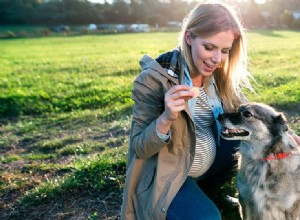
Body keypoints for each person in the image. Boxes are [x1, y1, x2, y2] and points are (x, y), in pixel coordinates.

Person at [120, 1, 300, 220]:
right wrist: (166, 118)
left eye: (225, 50)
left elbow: (250, 116)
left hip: (208, 169)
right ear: (189, 37)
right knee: (209, 217)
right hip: (168, 176)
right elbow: (140, 148)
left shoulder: (219, 75)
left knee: (252, 134)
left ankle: (204, 191)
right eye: (209, 47)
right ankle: (191, 200)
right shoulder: (151, 81)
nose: (217, 59)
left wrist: (283, 133)